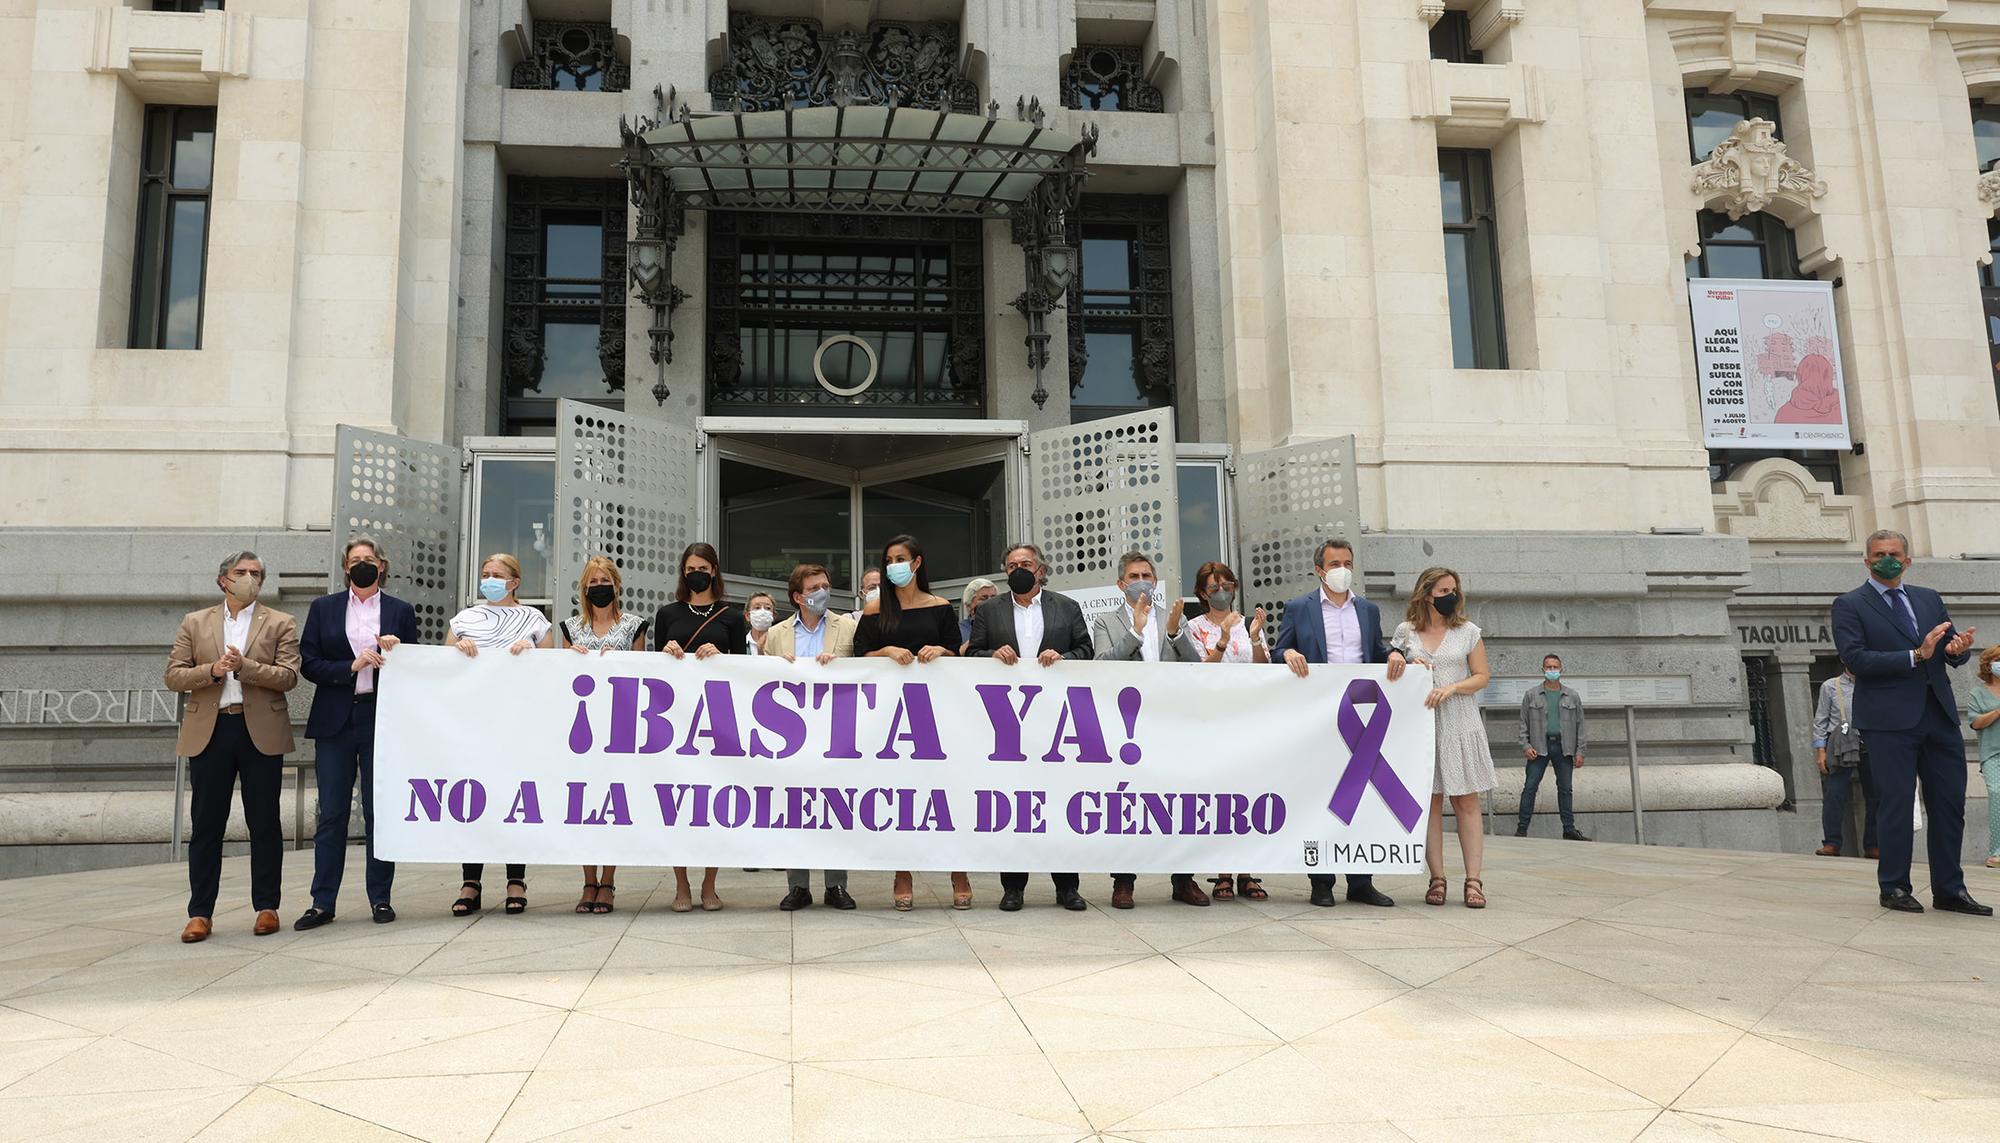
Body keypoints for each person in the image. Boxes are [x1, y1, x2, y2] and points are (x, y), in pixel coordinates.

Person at [1831, 529, 1987, 916]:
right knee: (1896, 804)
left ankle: (1950, 889)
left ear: (1908, 559)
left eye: (1895, 553)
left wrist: (1956, 651)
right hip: (1888, 721)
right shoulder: (1850, 604)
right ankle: (1895, 887)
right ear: (1866, 561)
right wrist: (1916, 654)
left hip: (1938, 715)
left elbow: (1948, 651)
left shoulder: (1928, 598)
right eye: (1880, 554)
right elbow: (1857, 660)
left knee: (1950, 804)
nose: (1889, 559)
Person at [164, 551, 300, 943]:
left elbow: (289, 676)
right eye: (241, 572)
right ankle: (200, 913)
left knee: (264, 822)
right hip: (211, 729)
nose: (249, 578)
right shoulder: (195, 622)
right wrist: (213, 670)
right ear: (223, 579)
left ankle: (267, 907)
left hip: (259, 729)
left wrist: (245, 667)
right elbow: (174, 676)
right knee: (207, 823)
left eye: (256, 573)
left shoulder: (280, 622)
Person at [294, 536, 418, 932]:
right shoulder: (323, 608)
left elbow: (417, 667)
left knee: (378, 812)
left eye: (370, 559)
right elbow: (309, 663)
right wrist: (350, 666)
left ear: (382, 565)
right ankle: (322, 901)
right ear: (346, 567)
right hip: (335, 720)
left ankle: (380, 898)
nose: (362, 565)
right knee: (331, 813)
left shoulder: (400, 610)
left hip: (381, 719)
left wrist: (398, 652)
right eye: (355, 560)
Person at [1276, 539, 1407, 908]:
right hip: (1319, 716)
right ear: (1319, 569)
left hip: (1360, 715)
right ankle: (1321, 882)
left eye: (1347, 562)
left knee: (1360, 796)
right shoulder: (1299, 608)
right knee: (1322, 795)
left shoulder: (1367, 609)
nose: (1342, 568)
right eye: (1335, 562)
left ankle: (1361, 881)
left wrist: (1396, 654)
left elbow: (1378, 653)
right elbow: (1276, 650)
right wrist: (1286, 652)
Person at [967, 541, 1094, 911]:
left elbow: (1086, 651)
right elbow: (970, 654)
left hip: (1056, 722)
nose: (1017, 569)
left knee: (1059, 799)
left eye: (1025, 563)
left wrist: (1064, 656)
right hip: (1007, 723)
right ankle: (1013, 887)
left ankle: (1067, 887)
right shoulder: (989, 610)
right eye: (1010, 565)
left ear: (1040, 569)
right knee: (1013, 801)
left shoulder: (1066, 607)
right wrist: (990, 654)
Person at [856, 535, 974, 911]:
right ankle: (902, 872)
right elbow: (858, 656)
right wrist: (886, 650)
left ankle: (958, 871)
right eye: (889, 559)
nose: (894, 565)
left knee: (945, 794)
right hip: (888, 721)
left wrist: (941, 651)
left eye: (901, 558)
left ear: (918, 563)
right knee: (899, 797)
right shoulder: (875, 610)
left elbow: (959, 653)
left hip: (937, 718)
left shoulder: (940, 607)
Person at [1090, 551, 1205, 908]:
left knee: (1177, 799)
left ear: (1155, 581)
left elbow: (1197, 664)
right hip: (1128, 727)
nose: (1141, 580)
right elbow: (1102, 664)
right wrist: (1136, 632)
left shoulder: (1173, 616)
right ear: (1121, 584)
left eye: (1147, 575)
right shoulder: (1106, 621)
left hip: (1170, 722)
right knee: (1127, 802)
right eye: (1134, 575)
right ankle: (1124, 882)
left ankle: (1183, 880)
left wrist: (1174, 632)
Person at [447, 553, 552, 917]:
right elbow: (442, 667)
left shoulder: (534, 619)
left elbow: (555, 667)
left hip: (516, 724)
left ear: (514, 582)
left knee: (513, 798)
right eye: (485, 573)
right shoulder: (464, 619)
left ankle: (515, 879)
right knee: (472, 798)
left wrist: (533, 649)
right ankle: (470, 881)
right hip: (474, 724)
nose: (489, 579)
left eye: (497, 574)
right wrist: (457, 650)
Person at [1393, 566, 1497, 909]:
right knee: (1430, 802)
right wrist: (1401, 659)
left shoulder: (1468, 632)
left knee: (1466, 800)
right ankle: (1436, 878)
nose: (1450, 596)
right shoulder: (1406, 633)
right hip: (1423, 724)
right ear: (1426, 595)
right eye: (1442, 591)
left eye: (1453, 589)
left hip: (1460, 721)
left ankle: (1474, 880)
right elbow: (1390, 663)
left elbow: (1482, 676)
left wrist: (1452, 687)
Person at [653, 541, 744, 912]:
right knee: (677, 803)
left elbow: (743, 670)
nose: (696, 573)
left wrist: (721, 658)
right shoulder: (667, 612)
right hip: (676, 720)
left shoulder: (732, 616)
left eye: (703, 567)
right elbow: (656, 667)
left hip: (717, 719)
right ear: (683, 572)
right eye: (690, 567)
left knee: (714, 803)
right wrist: (669, 653)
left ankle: (710, 883)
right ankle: (681, 884)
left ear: (714, 571)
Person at [557, 556, 648, 915]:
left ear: (616, 585)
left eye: (605, 580)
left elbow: (642, 674)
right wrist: (571, 658)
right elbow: (558, 679)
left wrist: (618, 661)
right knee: (583, 804)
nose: (599, 586)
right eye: (592, 581)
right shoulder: (569, 629)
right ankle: (588, 880)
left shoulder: (634, 626)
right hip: (580, 729)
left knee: (613, 803)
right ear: (584, 587)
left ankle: (608, 880)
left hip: (619, 727)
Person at [766, 563, 859, 911]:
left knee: (835, 806)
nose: (823, 591)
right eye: (814, 587)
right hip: (789, 736)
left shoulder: (847, 628)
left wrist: (840, 666)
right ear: (797, 597)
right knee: (793, 808)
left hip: (836, 734)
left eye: (825, 585)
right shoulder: (776, 635)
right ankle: (798, 886)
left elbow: (865, 674)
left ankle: (836, 885)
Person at [1183, 561, 1271, 903]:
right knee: (1220, 795)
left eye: (1226, 584)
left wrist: (1254, 639)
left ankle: (1248, 871)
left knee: (1248, 794)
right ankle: (1222, 872)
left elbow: (1263, 669)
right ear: (1203, 594)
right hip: (1212, 719)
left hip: (1248, 718)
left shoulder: (1251, 622)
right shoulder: (1193, 627)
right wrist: (1221, 640)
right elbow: (1198, 671)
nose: (1221, 591)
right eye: (1213, 586)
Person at [1515, 654, 1589, 842]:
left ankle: (1569, 829)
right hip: (1539, 748)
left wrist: (1580, 751)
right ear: (1543, 669)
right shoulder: (1531, 695)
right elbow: (1523, 723)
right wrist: (1526, 745)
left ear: (1561, 669)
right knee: (1530, 787)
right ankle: (1522, 829)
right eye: (1548, 667)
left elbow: (1581, 725)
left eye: (1555, 667)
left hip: (1564, 748)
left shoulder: (1572, 695)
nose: (1552, 670)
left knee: (1565, 789)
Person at [1810, 662, 1878, 860]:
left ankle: (1873, 845)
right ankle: (1831, 843)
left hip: (1869, 743)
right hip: (1840, 745)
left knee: (1875, 796)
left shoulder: (1873, 683)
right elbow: (1820, 720)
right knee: (1834, 793)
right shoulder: (1830, 686)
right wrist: (1820, 751)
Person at [1970, 646, 2000, 870]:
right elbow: (1975, 723)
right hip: (1992, 753)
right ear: (1989, 664)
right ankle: (1996, 851)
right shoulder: (1977, 694)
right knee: (1997, 793)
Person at [959, 577, 997, 655]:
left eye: (993, 597)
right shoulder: (959, 630)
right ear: (969, 605)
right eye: (984, 598)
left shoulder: (1007, 624)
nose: (990, 602)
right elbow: (953, 658)